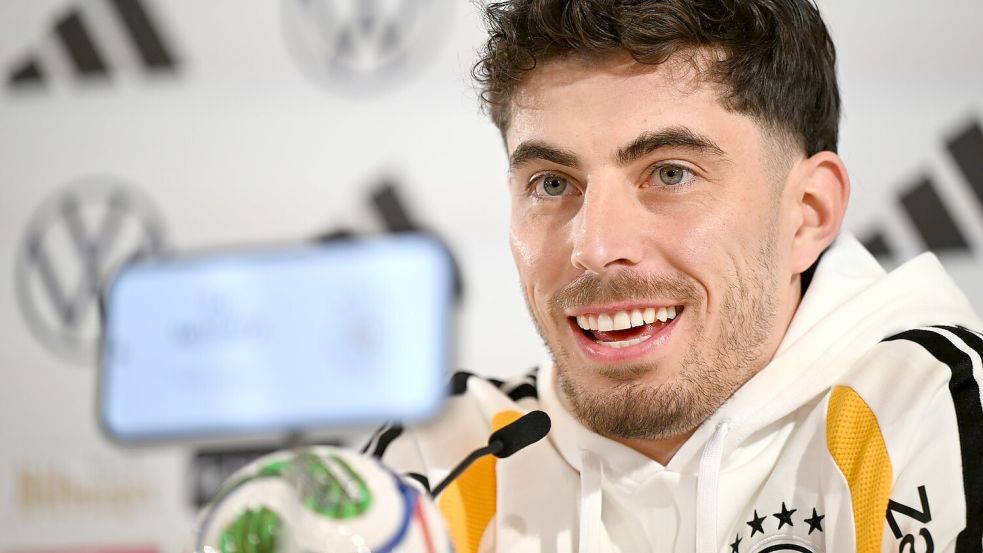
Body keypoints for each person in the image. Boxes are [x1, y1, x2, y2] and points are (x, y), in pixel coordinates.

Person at [363, 1, 983, 552]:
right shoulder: (444, 454)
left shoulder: (930, 406)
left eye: (670, 174)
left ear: (807, 214)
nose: (596, 247)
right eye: (552, 183)